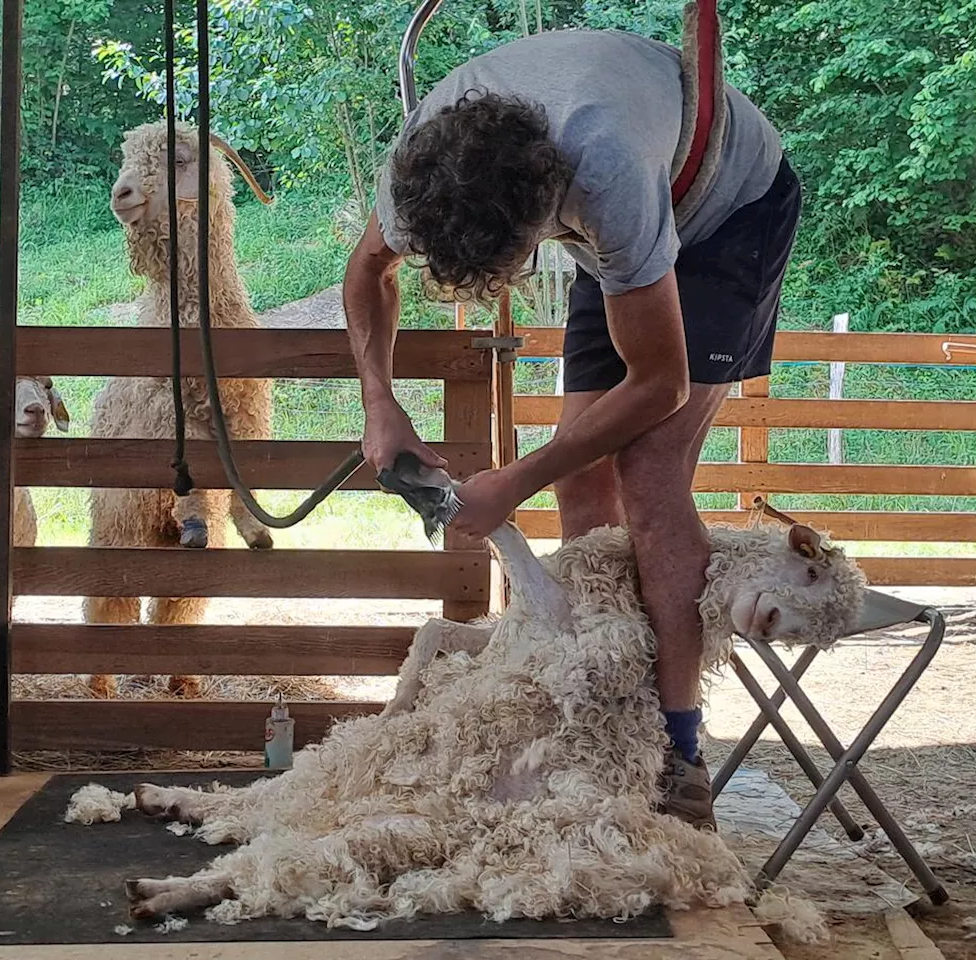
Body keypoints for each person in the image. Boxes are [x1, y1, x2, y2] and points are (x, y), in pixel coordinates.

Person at [343, 28, 801, 830]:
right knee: (583, 480)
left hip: (729, 207)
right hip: (609, 221)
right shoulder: (421, 166)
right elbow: (368, 270)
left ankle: (675, 751)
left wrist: (513, 482)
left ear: (544, 213)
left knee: (648, 478)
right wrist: (380, 403)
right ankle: (601, 720)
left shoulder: (606, 173)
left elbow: (659, 385)